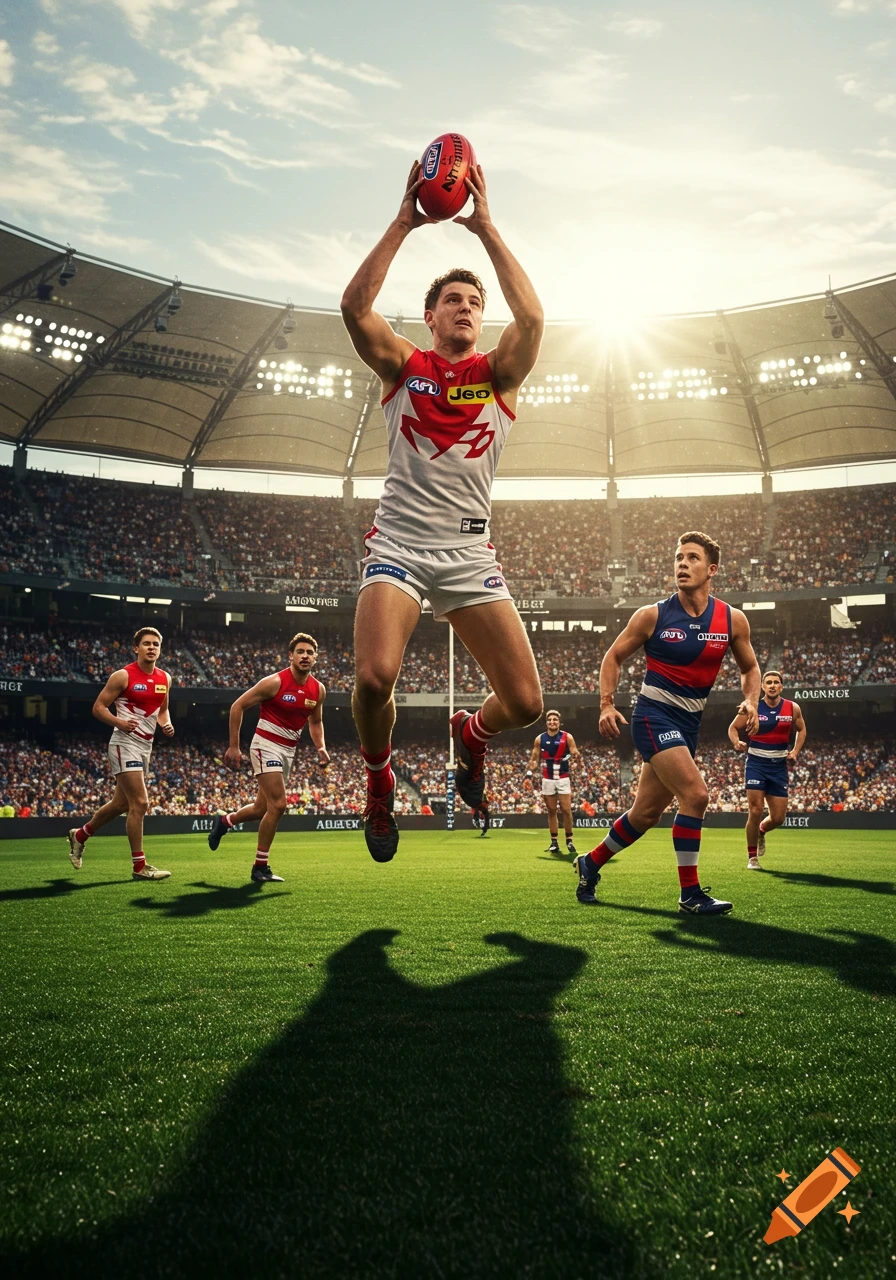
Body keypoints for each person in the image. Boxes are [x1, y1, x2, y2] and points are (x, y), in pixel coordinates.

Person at [341, 159, 545, 862]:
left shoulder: (498, 374)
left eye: (473, 302)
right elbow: (354, 310)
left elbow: (535, 316)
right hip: (398, 543)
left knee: (525, 705)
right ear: (429, 317)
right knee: (373, 680)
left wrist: (485, 227)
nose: (465, 307)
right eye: (452, 300)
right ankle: (378, 782)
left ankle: (471, 735)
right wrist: (405, 219)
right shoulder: (405, 366)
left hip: (468, 555)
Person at [574, 532, 760, 913]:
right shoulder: (652, 615)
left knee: (645, 814)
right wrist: (607, 704)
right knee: (696, 795)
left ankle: (589, 863)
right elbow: (612, 658)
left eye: (692, 558)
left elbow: (751, 667)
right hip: (653, 715)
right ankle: (690, 894)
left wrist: (752, 701)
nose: (682, 564)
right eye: (678, 557)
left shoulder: (731, 619)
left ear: (712, 570)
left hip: (688, 723)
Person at [207, 633, 329, 882]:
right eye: (300, 652)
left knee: (261, 808)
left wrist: (321, 748)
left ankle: (224, 821)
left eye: (309, 652)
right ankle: (260, 867)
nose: (305, 656)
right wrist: (233, 746)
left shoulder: (318, 690)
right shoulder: (274, 682)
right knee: (279, 805)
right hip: (265, 745)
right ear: (291, 656)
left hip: (288, 751)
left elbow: (315, 722)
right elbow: (237, 707)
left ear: (315, 658)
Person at [67, 626, 174, 880]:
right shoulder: (122, 676)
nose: (151, 648)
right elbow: (98, 708)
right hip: (123, 742)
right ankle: (139, 867)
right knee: (140, 803)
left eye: (155, 644)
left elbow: (162, 710)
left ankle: (79, 835)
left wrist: (166, 723)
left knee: (120, 804)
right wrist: (119, 722)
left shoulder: (165, 679)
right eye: (146, 643)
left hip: (145, 746)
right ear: (136, 648)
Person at [728, 670, 806, 869]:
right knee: (755, 810)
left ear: (781, 686)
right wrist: (736, 742)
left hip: (779, 766)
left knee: (779, 818)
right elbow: (733, 728)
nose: (772, 685)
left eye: (776, 682)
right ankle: (752, 858)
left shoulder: (792, 708)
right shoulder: (752, 707)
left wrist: (795, 751)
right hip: (756, 764)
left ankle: (762, 830)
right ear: (762, 686)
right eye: (768, 682)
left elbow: (802, 729)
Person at [527, 709, 580, 855]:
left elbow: (575, 752)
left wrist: (575, 755)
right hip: (547, 778)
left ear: (559, 722)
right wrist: (529, 773)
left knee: (566, 810)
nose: (552, 722)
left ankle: (569, 840)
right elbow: (534, 759)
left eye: (555, 720)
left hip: (563, 777)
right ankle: (554, 842)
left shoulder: (567, 737)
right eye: (550, 720)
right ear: (546, 722)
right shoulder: (539, 739)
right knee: (551, 811)